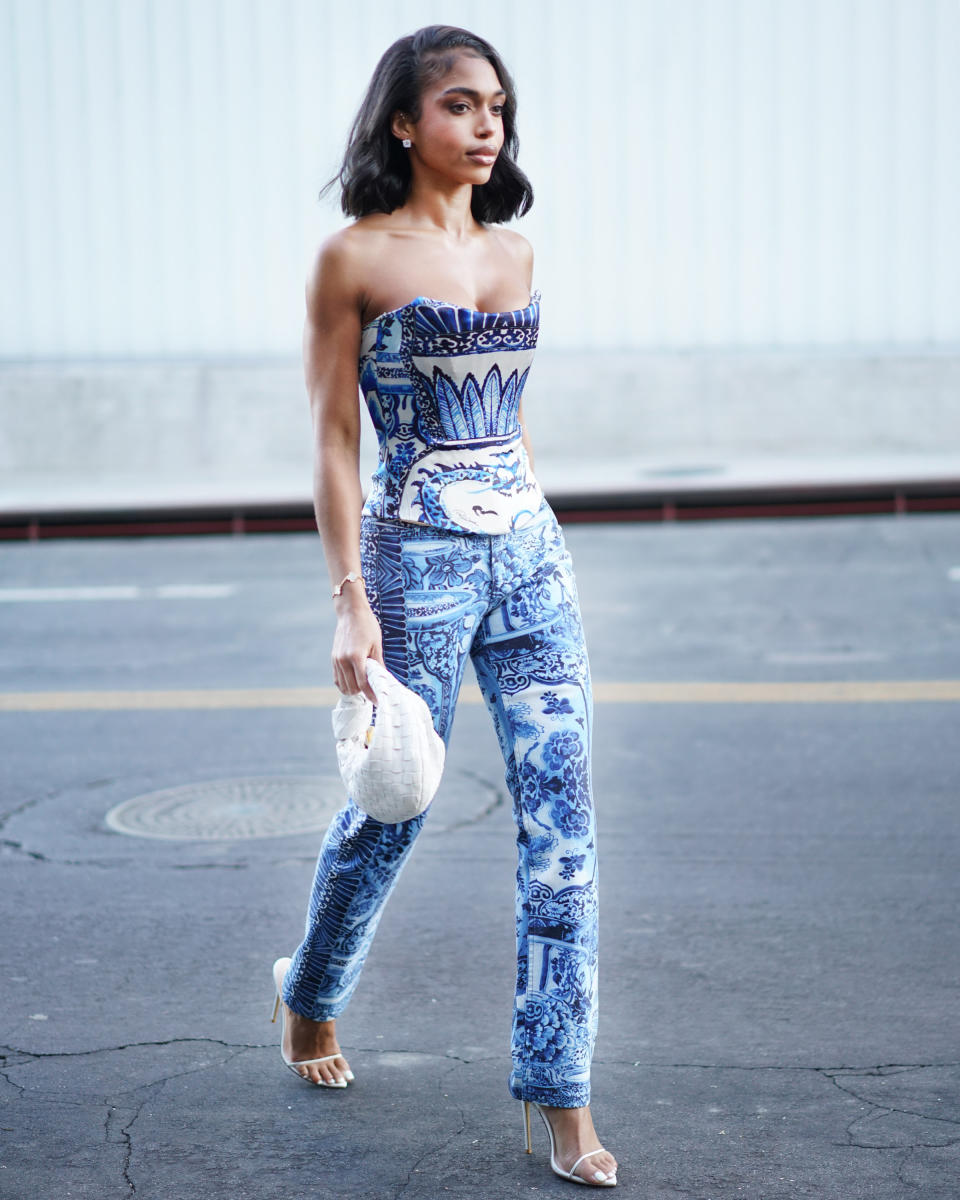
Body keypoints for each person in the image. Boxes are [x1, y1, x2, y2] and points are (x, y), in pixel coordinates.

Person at [271, 24, 618, 1188]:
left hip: (530, 557)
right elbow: (330, 442)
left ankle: (561, 1095)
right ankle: (311, 996)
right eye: (462, 106)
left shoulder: (515, 257)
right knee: (394, 806)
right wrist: (349, 599)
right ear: (404, 123)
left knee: (565, 829)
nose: (486, 128)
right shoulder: (353, 258)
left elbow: (509, 419)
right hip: (413, 564)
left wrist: (531, 521)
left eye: (499, 110)